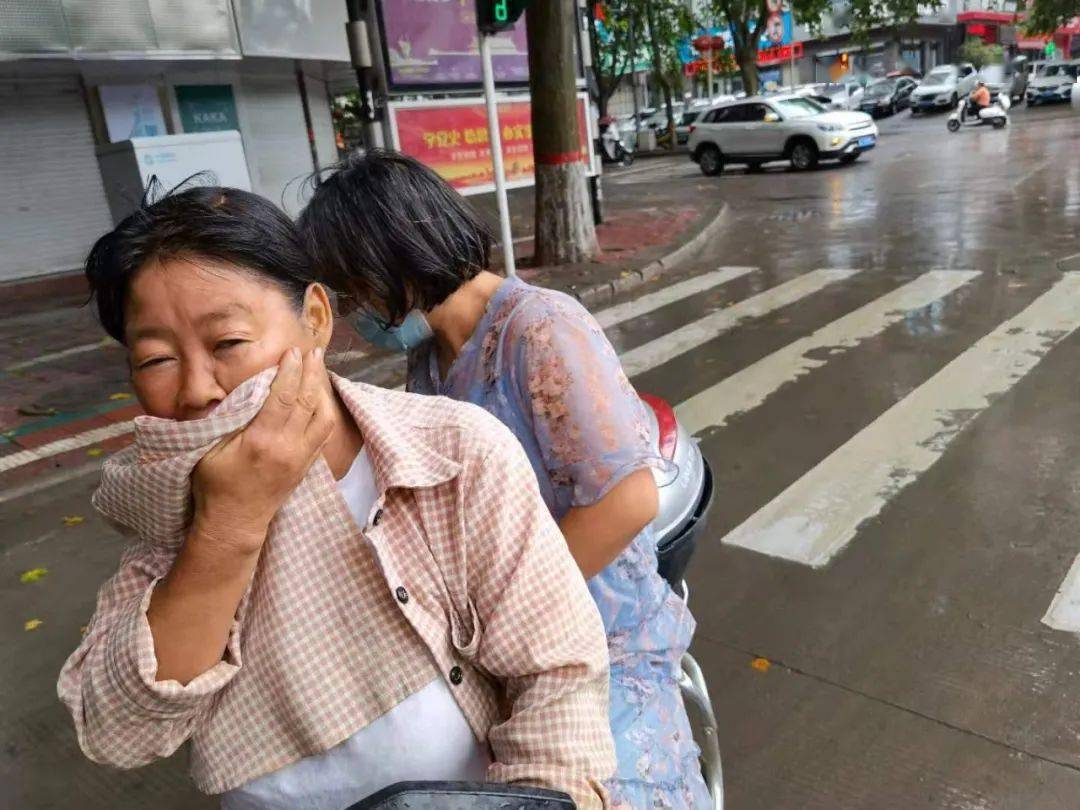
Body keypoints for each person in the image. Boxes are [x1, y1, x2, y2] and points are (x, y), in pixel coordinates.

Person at [57, 185, 617, 809]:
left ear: (316, 320)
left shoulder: (454, 452)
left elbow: (558, 673)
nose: (197, 391)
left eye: (228, 344)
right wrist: (228, 522)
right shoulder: (166, 498)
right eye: (156, 359)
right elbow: (119, 729)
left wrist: (540, 797)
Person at [299, 151, 710, 809]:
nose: (354, 314)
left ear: (395, 258)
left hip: (596, 640)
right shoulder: (431, 363)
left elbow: (627, 500)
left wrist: (514, 608)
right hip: (501, 649)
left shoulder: (540, 329)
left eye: (354, 289)